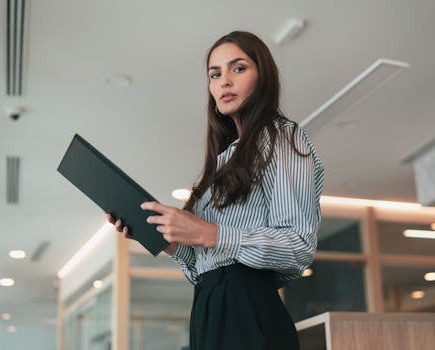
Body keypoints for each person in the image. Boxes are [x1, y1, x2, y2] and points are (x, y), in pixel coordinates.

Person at [108, 31, 323, 350]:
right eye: (215, 74)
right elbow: (201, 268)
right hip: (208, 306)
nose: (224, 81)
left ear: (263, 77)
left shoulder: (280, 137)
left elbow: (299, 245)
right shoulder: (221, 161)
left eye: (238, 68)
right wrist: (166, 241)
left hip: (249, 311)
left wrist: (212, 233)